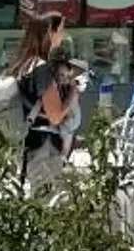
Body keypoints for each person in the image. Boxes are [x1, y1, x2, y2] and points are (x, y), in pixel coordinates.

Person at [12, 13, 83, 179]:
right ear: (51, 32)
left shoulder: (24, 64)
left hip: (26, 140)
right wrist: (73, 90)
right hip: (43, 145)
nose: (63, 36)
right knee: (44, 197)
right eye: (61, 30)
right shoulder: (41, 68)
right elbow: (56, 116)